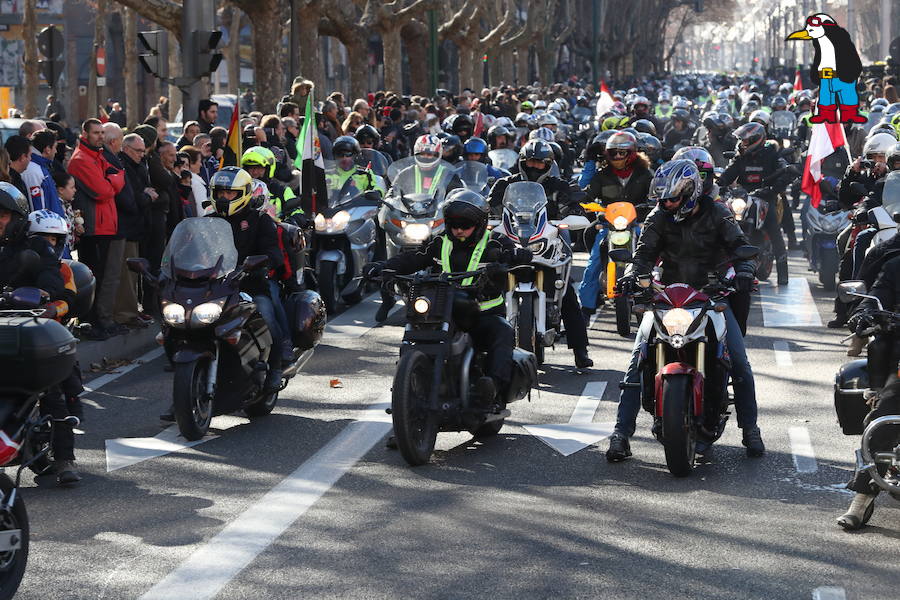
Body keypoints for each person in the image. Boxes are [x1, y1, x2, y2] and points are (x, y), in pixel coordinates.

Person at [605, 159, 764, 462]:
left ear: (691, 191)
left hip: (711, 295)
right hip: (667, 297)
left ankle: (750, 430)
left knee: (739, 363)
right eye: (663, 198)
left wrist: (744, 270)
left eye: (673, 197)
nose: (667, 203)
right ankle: (621, 434)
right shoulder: (658, 217)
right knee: (637, 362)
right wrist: (632, 276)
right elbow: (643, 256)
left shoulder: (718, 212)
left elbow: (740, 247)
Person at [364, 190, 531, 404]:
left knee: (503, 332)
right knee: (415, 331)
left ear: (480, 224)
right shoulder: (439, 242)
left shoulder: (496, 243)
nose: (459, 230)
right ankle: (407, 398)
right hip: (444, 312)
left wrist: (519, 257)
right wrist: (383, 267)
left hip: (483, 314)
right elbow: (412, 259)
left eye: (465, 225)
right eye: (454, 224)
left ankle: (493, 388)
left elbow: (521, 265)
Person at [489, 139, 593, 369]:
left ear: (549, 164)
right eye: (531, 162)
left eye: (540, 163)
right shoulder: (505, 184)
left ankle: (580, 350)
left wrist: (575, 206)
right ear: (522, 162)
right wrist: (487, 215)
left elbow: (575, 207)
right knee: (486, 284)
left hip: (548, 241)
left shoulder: (558, 185)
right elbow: (490, 206)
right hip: (512, 240)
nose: (535, 167)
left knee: (565, 292)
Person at [209, 167, 291, 392]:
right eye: (220, 193)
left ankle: (275, 367)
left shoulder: (259, 220)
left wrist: (255, 265)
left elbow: (274, 254)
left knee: (266, 316)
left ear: (243, 193)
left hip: (249, 285)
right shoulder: (208, 221)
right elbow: (192, 248)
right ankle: (184, 392)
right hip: (214, 288)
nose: (224, 198)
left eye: (230, 193)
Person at [579, 131, 653, 316]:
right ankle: (586, 309)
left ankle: (655, 297)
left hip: (637, 224)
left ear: (633, 153)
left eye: (623, 153)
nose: (618, 157)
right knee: (593, 261)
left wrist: (653, 203)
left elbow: (656, 193)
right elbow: (585, 192)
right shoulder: (601, 174)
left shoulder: (645, 173)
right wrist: (582, 200)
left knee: (653, 255)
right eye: (613, 153)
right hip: (608, 225)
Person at [67, 118, 127, 340]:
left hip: (105, 225)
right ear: (85, 134)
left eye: (102, 132)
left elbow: (115, 178)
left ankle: (99, 322)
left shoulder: (98, 155)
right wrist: (115, 180)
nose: (100, 136)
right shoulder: (81, 159)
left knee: (102, 276)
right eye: (96, 133)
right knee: (93, 276)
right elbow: (104, 190)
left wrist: (114, 179)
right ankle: (90, 323)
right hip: (94, 227)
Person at [718, 122, 791, 285]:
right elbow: (729, 173)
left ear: (756, 139)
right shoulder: (741, 156)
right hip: (743, 197)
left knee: (774, 230)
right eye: (742, 141)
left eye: (745, 141)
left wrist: (773, 189)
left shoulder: (771, 154)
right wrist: (718, 183)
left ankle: (783, 272)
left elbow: (784, 171)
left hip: (766, 197)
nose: (742, 144)